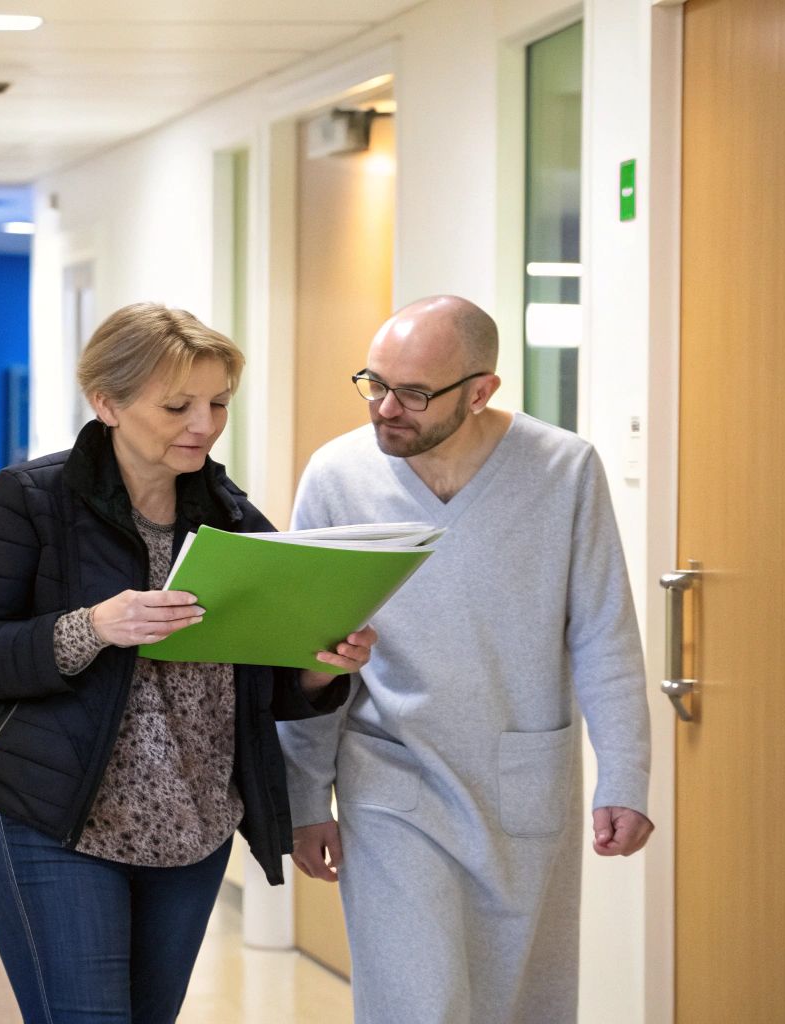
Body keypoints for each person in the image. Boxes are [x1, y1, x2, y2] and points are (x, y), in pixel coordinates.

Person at [0, 302, 376, 1023]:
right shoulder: (30, 500)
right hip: (51, 817)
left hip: (190, 828)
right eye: (178, 405)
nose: (203, 424)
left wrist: (322, 664)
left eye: (218, 404)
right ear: (106, 402)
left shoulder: (232, 516)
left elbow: (269, 684)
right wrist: (95, 627)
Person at [278, 295, 653, 1023]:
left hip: (521, 776)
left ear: (480, 392)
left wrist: (626, 774)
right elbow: (311, 653)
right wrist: (302, 796)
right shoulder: (336, 476)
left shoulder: (563, 470)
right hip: (390, 778)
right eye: (374, 383)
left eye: (413, 393)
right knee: (416, 1003)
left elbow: (604, 630)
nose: (386, 407)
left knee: (517, 1001)